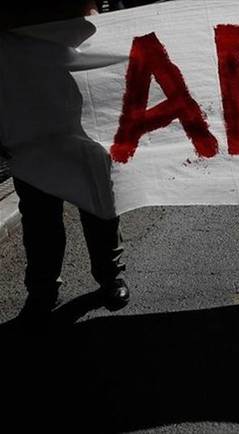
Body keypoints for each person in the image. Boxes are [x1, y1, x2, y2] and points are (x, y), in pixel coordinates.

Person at [0, 0, 129, 321]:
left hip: (81, 106)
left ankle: (110, 275)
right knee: (39, 212)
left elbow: (91, 18)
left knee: (98, 201)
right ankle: (43, 289)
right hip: (28, 110)